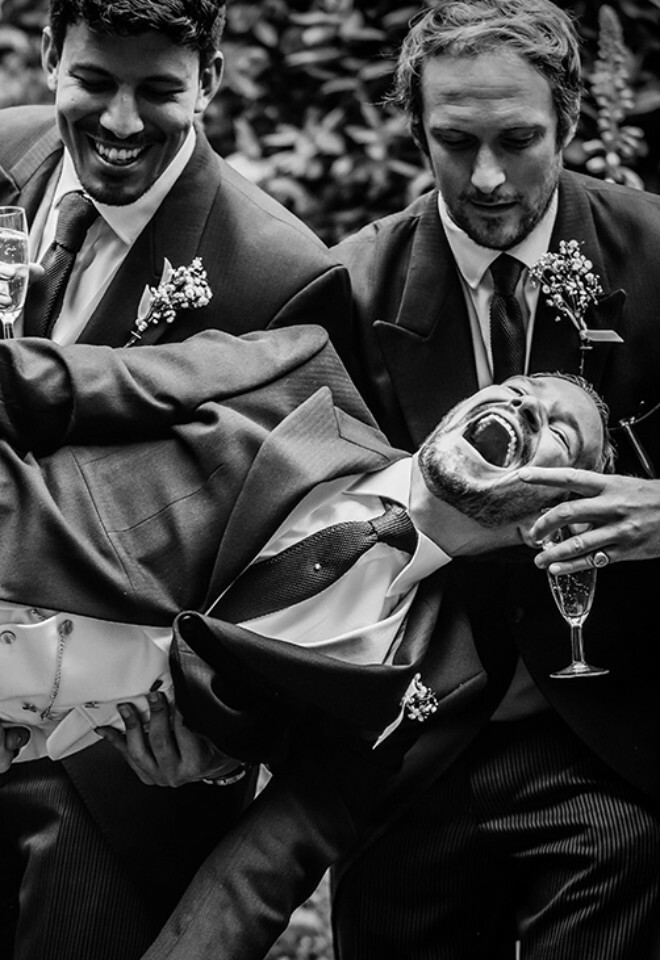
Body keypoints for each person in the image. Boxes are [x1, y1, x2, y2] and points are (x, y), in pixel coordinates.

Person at [0, 329, 609, 960]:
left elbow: (268, 860)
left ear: (549, 525)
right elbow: (41, 383)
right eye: (517, 387)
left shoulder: (431, 673)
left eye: (561, 433)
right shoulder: (298, 373)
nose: (525, 406)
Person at [0, 0, 353, 956]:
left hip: (110, 776)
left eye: (158, 91)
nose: (120, 121)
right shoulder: (5, 154)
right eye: (94, 81)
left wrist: (223, 741)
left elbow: (308, 537)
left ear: (210, 80)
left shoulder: (281, 274)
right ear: (49, 55)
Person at [329, 1, 660, 957]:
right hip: (414, 751)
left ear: (569, 119)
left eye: (517, 141)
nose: (485, 178)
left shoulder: (658, 253)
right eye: (455, 142)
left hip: (620, 748)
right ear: (416, 129)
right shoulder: (346, 286)